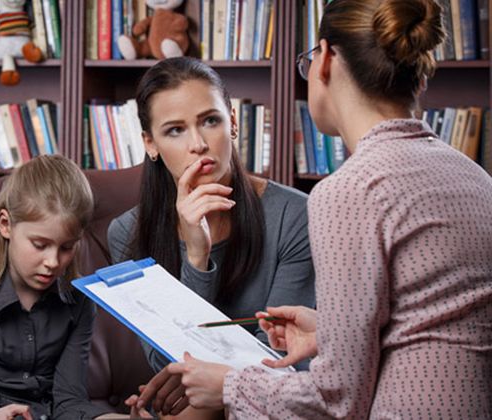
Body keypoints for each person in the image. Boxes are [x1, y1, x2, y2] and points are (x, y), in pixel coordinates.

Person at [134, 0, 492, 418]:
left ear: (327, 63)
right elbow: (430, 327)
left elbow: (336, 400)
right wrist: (329, 332)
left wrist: (230, 385)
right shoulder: (475, 178)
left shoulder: (348, 192)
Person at [107, 56, 316, 418]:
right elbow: (162, 360)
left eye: (210, 121)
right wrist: (196, 256)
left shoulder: (296, 215)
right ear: (150, 144)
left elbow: (282, 361)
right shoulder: (126, 232)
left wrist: (203, 383)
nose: (199, 144)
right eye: (175, 130)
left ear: (232, 122)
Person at [0, 155, 115, 420]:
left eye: (67, 247)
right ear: (6, 225)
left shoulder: (80, 301)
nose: (53, 262)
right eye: (40, 244)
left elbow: (70, 404)